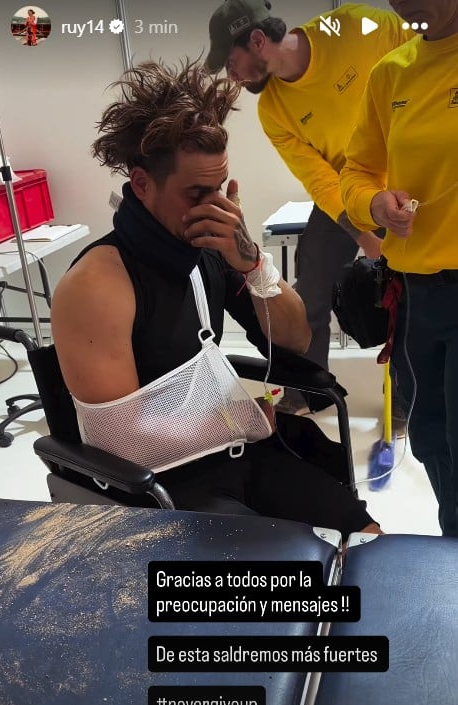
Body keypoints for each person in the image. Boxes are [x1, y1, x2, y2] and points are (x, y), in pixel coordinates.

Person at [51, 59, 381, 541]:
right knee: (290, 570)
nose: (215, 206)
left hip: (239, 454)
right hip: (162, 486)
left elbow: (294, 339)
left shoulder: (211, 248)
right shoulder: (96, 285)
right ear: (142, 185)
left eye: (220, 188)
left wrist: (251, 262)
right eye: (196, 193)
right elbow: (124, 444)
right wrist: (237, 418)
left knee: (367, 538)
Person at [205, 0, 411, 421]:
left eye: (231, 62)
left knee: (414, 292)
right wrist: (366, 236)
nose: (232, 76)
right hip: (347, 193)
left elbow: (428, 61)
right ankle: (308, 390)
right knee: (312, 280)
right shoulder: (273, 109)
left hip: (411, 179)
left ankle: (409, 400)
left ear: (257, 41)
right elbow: (322, 182)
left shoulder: (357, 26)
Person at [340, 0, 458, 536]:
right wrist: (374, 202)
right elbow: (356, 171)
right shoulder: (393, 72)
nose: (405, 4)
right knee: (430, 435)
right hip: (414, 296)